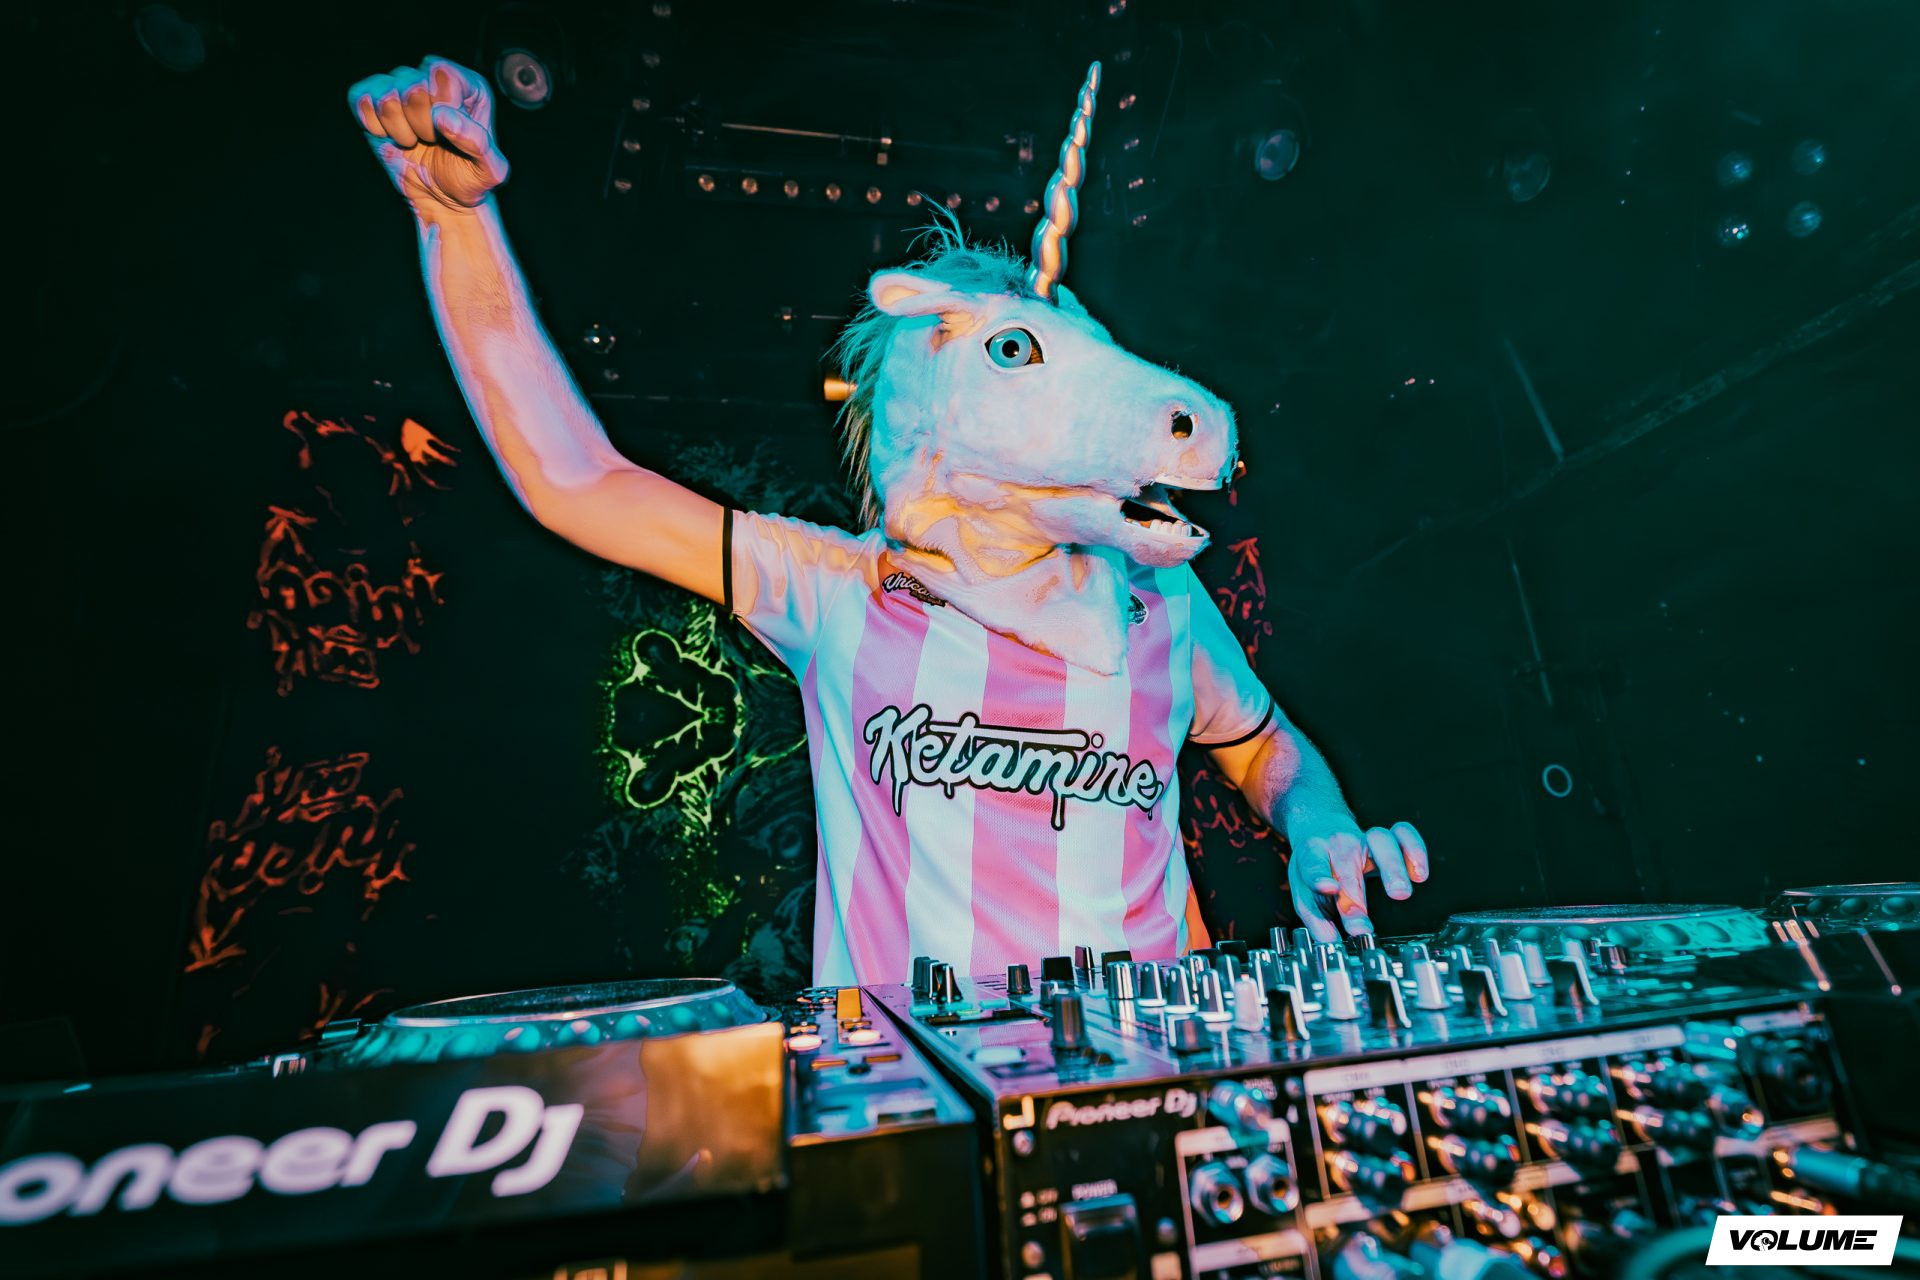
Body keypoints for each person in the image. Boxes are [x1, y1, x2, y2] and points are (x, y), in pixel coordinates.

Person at [345, 56, 1430, 986]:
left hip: (1164, 1061)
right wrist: (457, 223)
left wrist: (1321, 827)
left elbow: (1264, 745)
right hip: (920, 1092)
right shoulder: (834, 585)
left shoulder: (1159, 594)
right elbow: (575, 478)